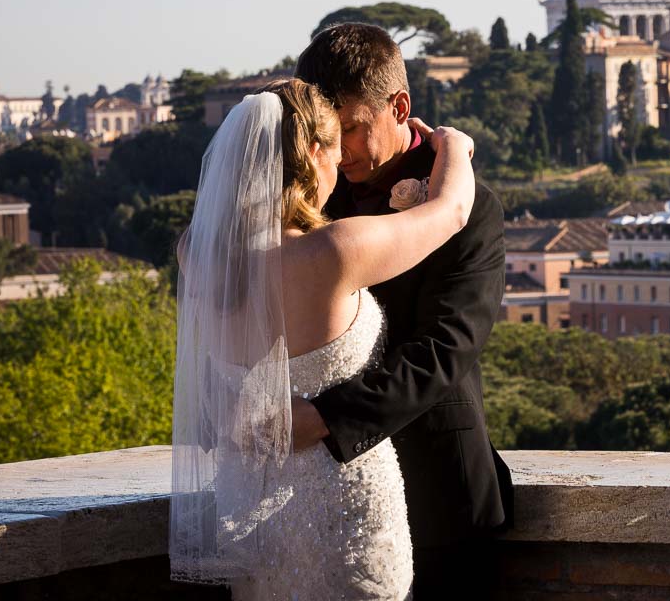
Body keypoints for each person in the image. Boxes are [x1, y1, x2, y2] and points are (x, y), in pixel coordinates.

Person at [170, 77, 476, 600]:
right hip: (344, 507)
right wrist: (455, 146)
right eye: (335, 147)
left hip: (250, 509)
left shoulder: (196, 254)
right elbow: (452, 211)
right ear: (314, 152)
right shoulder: (335, 250)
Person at [290, 23, 513, 599]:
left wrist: (326, 418)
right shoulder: (304, 202)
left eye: (355, 129)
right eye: (329, 134)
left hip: (441, 490)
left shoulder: (469, 203)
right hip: (317, 492)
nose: (343, 151)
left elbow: (446, 347)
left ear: (401, 105)